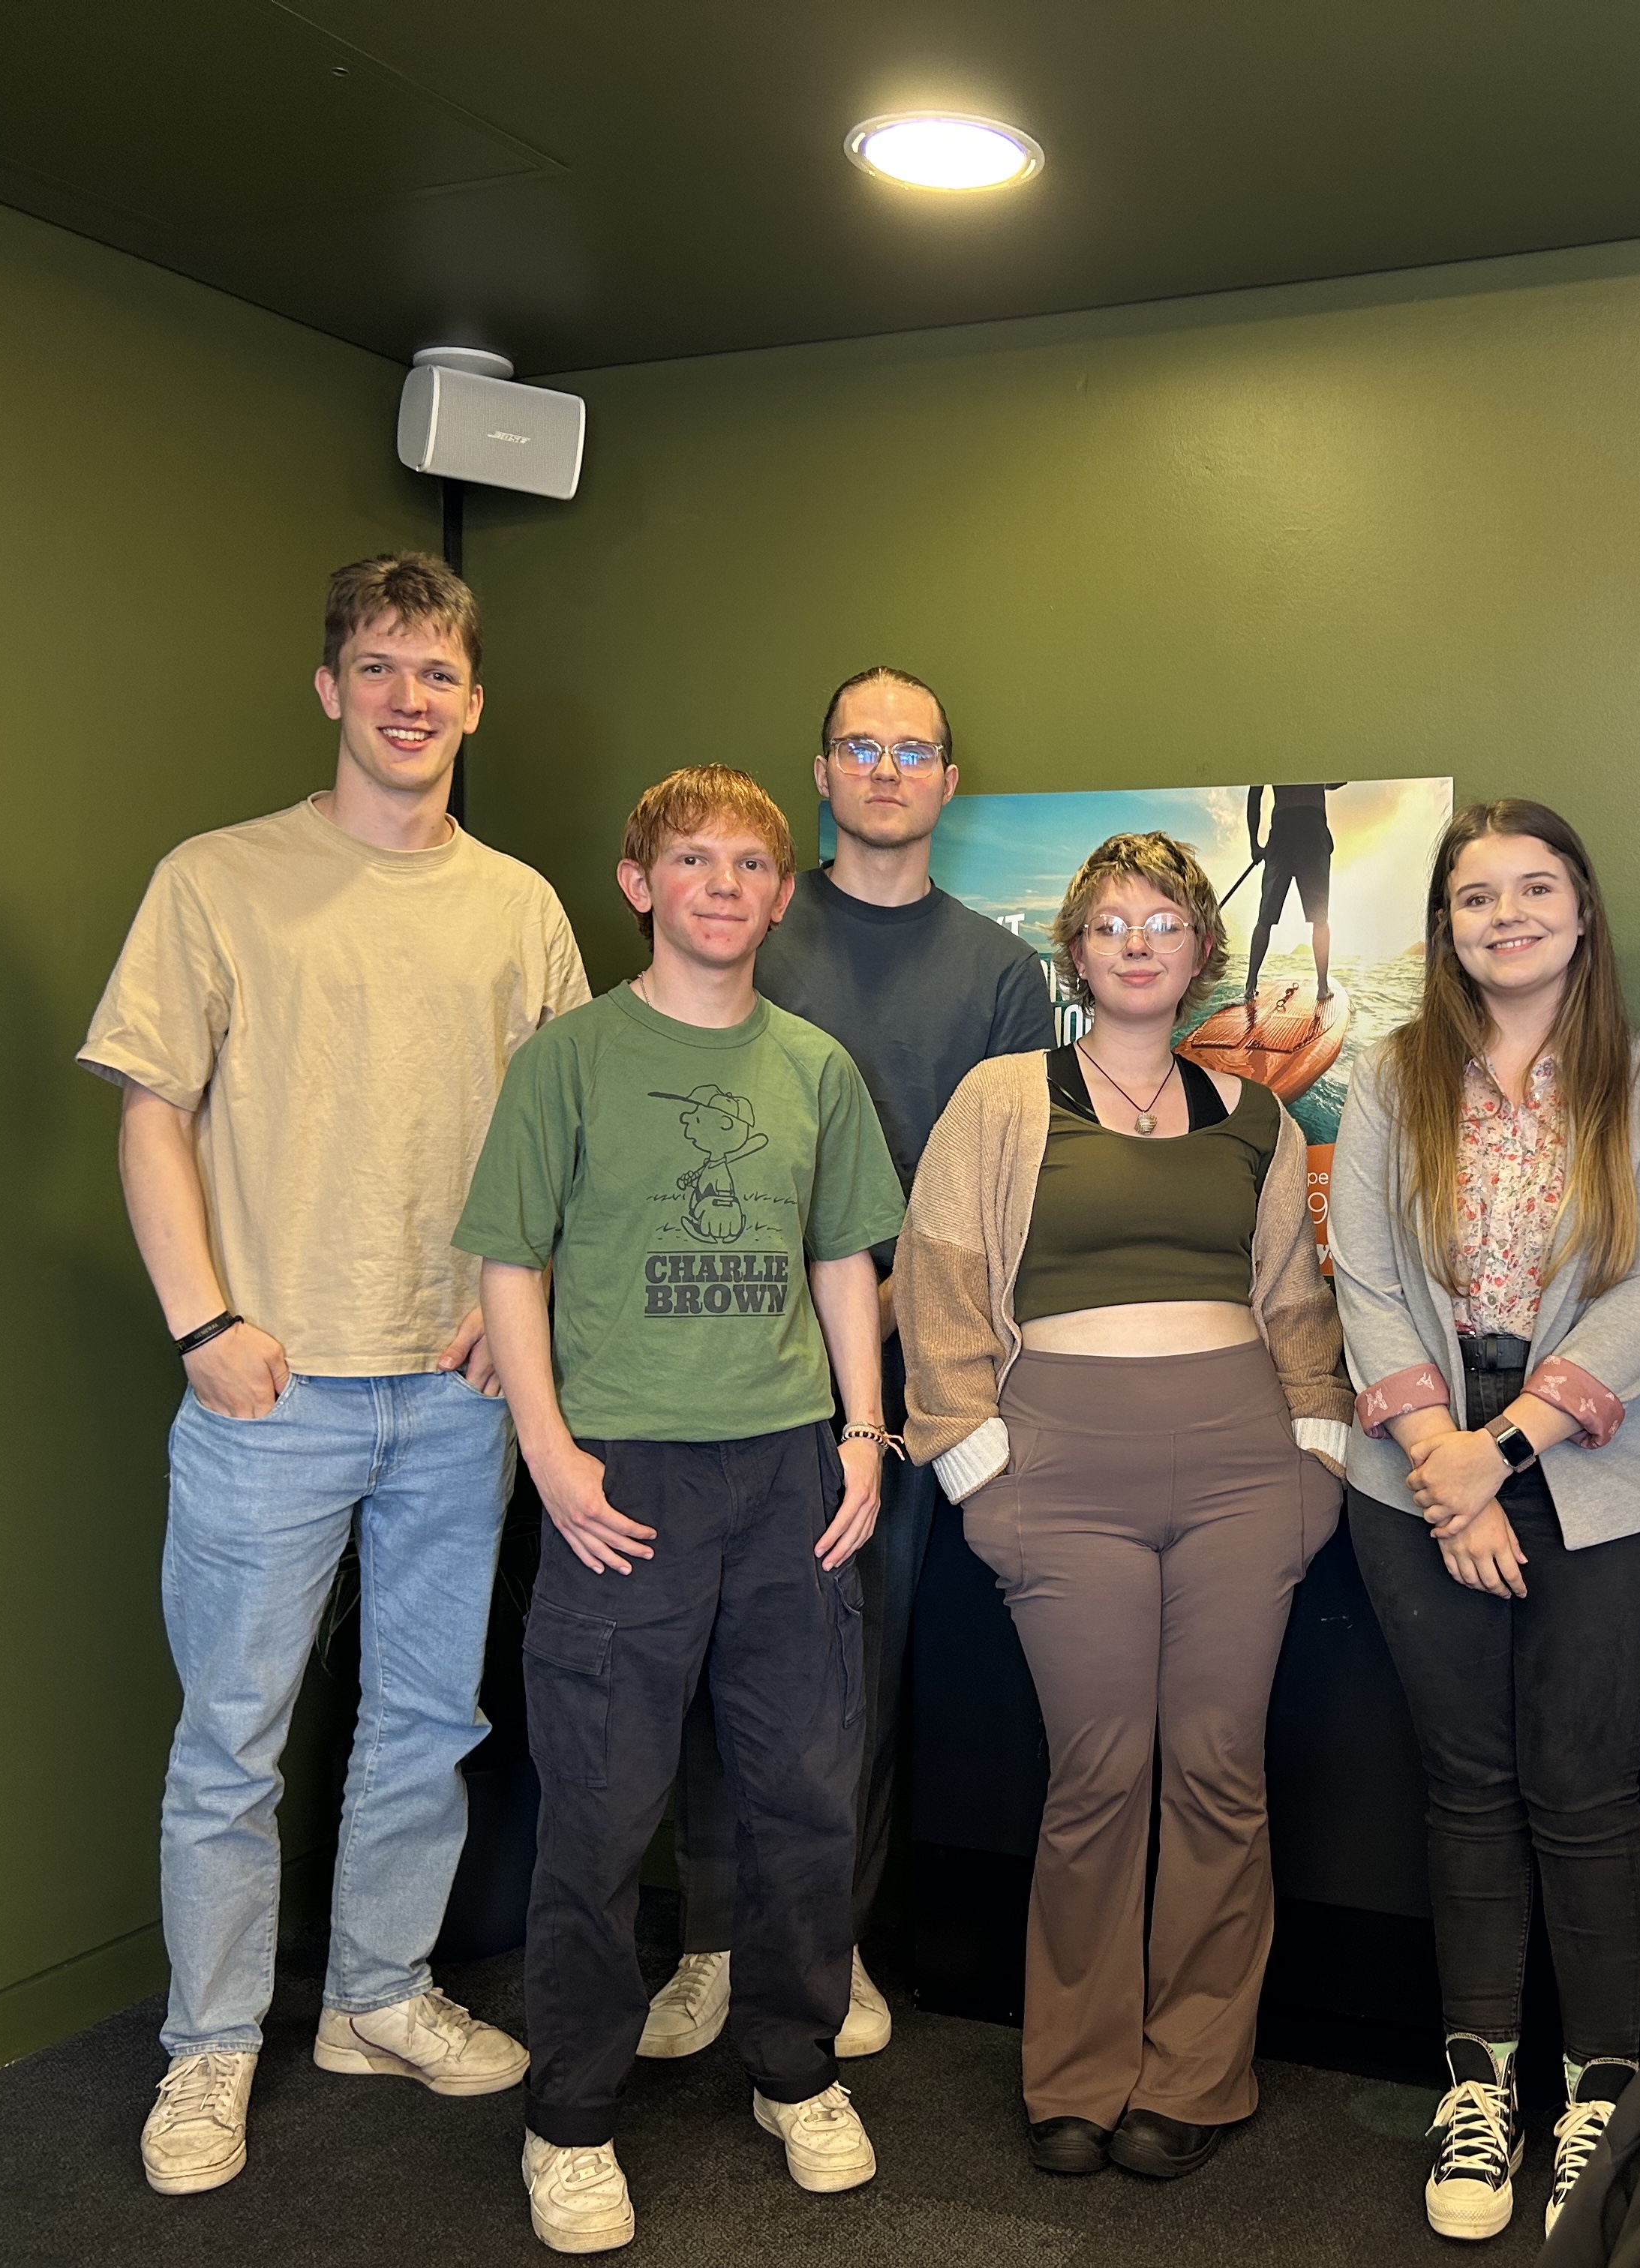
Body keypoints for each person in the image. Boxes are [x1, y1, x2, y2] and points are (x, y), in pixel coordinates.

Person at [79, 554, 587, 2197]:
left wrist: (513, 1311)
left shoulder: (519, 907)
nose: (407, 698)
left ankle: (375, 1995)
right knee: (233, 1739)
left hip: (456, 1389)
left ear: (474, 702)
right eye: (378, 667)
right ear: (330, 689)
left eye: (436, 673)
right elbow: (151, 1109)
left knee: (428, 1717)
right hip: (270, 1389)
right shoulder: (217, 878)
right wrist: (203, 1326)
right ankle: (210, 2043)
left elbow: (561, 1136)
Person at [457, 765, 904, 2252]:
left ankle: (795, 2070)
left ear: (781, 897)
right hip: (623, 1479)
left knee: (804, 1798)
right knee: (596, 1814)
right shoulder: (570, 1060)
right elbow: (508, 1259)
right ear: (638, 883)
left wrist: (862, 1433)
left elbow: (844, 1256)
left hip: (788, 1475)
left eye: (750, 864)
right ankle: (571, 2117)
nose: (723, 884)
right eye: (693, 859)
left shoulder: (815, 1068)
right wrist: (550, 1451)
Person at [897, 831, 1350, 2181]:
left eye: (1163, 921)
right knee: (1097, 1772)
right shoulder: (1005, 1095)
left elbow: (1295, 1302)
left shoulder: (1258, 1116)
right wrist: (971, 1462)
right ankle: (1078, 2072)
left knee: (1217, 1767)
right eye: (1110, 923)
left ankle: (1195, 2072)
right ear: (1076, 952)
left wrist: (1318, 1458)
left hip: (1242, 1471)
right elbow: (940, 1276)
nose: (1138, 943)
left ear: (1201, 948)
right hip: (1059, 1469)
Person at [643, 667, 1052, 2072]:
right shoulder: (756, 918)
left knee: (852, 1668)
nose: (886, 768)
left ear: (948, 780)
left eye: (913, 750)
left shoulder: (998, 973)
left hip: (902, 1364)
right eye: (860, 746)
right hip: (723, 1361)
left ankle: (830, 1946)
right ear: (821, 771)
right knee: (714, 1657)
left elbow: (996, 1182)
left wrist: (872, 1315)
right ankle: (711, 1941)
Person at [1326, 798, 1640, 2243]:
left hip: (1601, 1474)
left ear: (1582, 907)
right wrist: (1441, 1455)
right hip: (1416, 1463)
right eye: (1475, 896)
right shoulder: (1391, 1075)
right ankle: (1477, 2086)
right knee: (1469, 1783)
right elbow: (1365, 1272)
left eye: (1533, 888)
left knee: (1585, 1786)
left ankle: (1597, 2092)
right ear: (1445, 927)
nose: (1506, 916)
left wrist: (1497, 1453)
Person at [1239, 782, 1344, 1004]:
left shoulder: (1271, 760)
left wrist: (1254, 845)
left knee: (1264, 919)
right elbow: (1338, 780)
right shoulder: (1315, 758)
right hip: (1312, 829)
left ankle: (1250, 986)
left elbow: (1254, 794)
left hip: (1283, 831)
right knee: (1320, 919)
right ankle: (1322, 987)